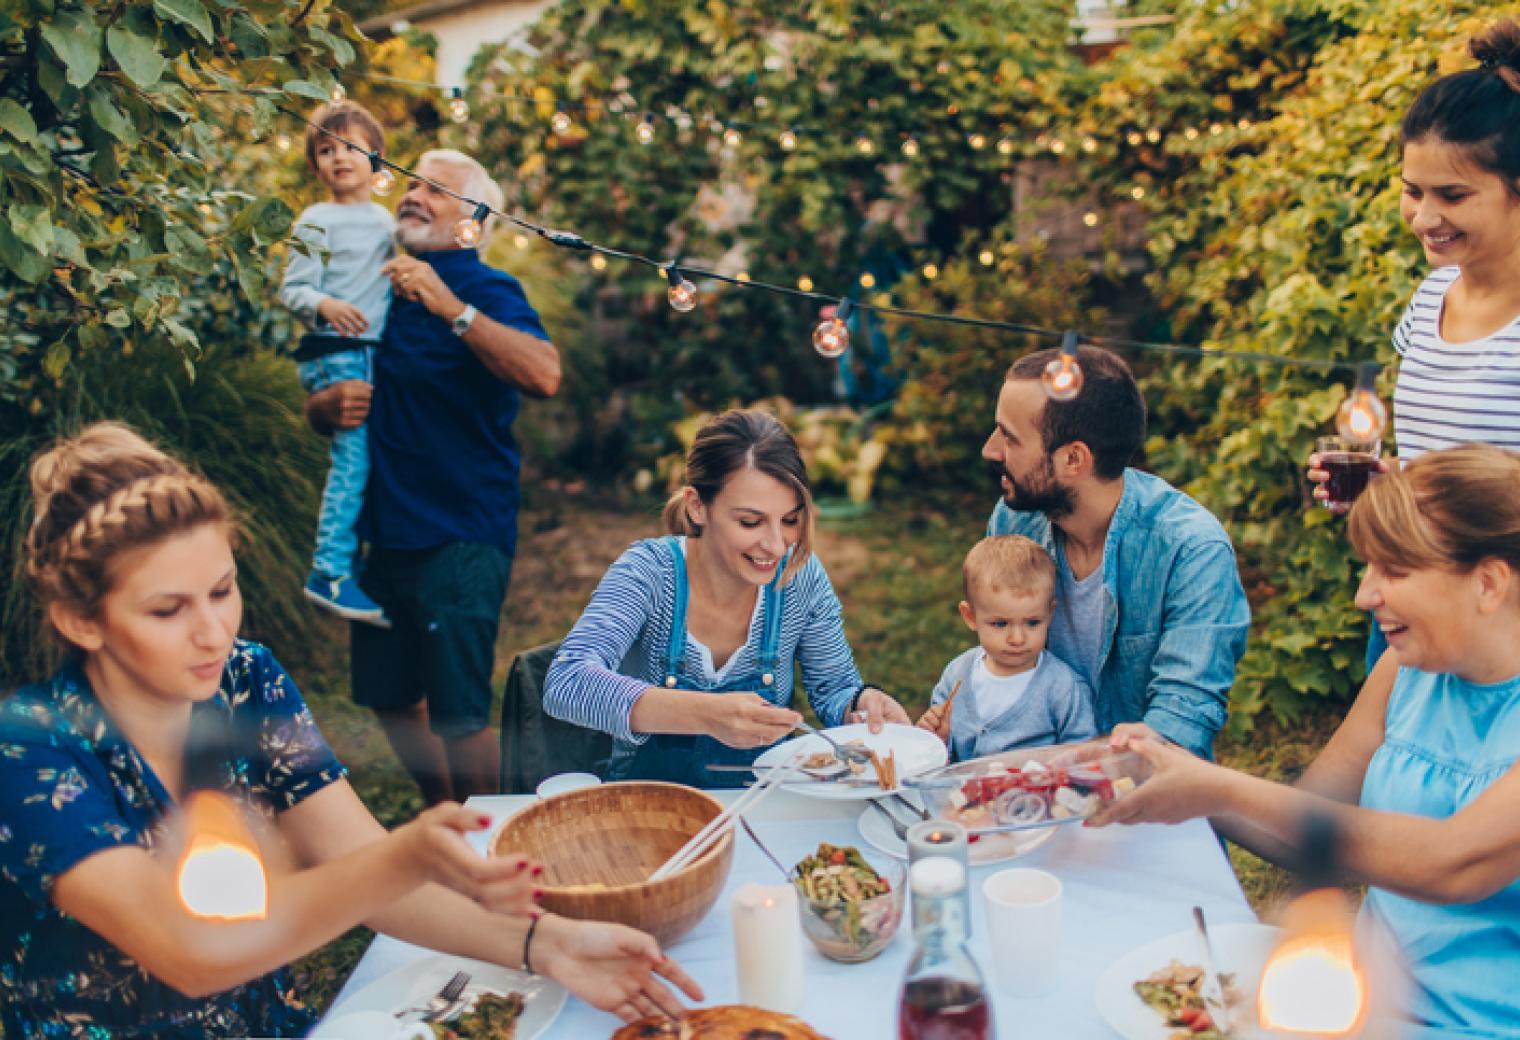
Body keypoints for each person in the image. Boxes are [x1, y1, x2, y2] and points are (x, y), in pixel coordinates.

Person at [0, 423, 701, 1038]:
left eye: (222, 590)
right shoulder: (30, 752)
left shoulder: (246, 679)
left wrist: (546, 944)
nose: (214, 632)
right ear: (79, 619)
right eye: (166, 610)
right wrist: (405, 855)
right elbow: (191, 949)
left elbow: (364, 869)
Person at [1092, 443, 1520, 1039]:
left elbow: (1452, 862)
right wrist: (1176, 774)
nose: (1365, 596)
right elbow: (1306, 825)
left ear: (1490, 582)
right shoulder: (1407, 672)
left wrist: (1220, 787)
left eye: (1394, 571)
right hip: (1361, 1010)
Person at [305, 149, 562, 805]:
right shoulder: (367, 286)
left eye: (436, 191)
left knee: (459, 712)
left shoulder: (488, 290)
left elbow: (544, 373)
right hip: (382, 530)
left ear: (473, 221)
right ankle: (445, 815)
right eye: (411, 184)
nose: (414, 195)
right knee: (390, 697)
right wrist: (323, 408)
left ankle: (489, 838)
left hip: (460, 530)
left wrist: (451, 306)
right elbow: (323, 392)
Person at [543, 409, 911, 787]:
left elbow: (835, 689)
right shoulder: (650, 573)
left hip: (764, 802)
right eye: (750, 522)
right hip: (649, 804)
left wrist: (861, 704)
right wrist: (706, 714)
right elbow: (568, 682)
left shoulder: (799, 579)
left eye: (789, 520)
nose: (775, 545)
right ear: (697, 506)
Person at [1309, 20, 1520, 668]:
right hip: (1411, 596)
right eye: (1412, 190)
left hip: (1500, 619)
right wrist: (1393, 483)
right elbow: (1445, 459)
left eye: (1452, 195)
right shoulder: (1431, 297)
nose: (1425, 217)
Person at [983, 343, 1250, 759]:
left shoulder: (1191, 550)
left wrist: (1055, 767)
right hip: (1025, 786)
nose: (991, 450)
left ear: (1074, 459)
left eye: (1010, 438)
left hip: (1141, 794)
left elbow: (1179, 727)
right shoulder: (1014, 522)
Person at [278, 100, 393, 626]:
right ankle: (328, 571)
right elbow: (293, 288)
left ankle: (355, 562)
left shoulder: (386, 222)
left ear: (377, 158)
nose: (339, 157)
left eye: (349, 147)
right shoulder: (316, 219)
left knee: (366, 460)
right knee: (352, 464)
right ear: (315, 166)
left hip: (366, 354)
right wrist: (323, 304)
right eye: (326, 150)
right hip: (335, 352)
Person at [916, 535, 1095, 761]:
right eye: (1000, 624)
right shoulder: (957, 675)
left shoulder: (1062, 687)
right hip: (962, 794)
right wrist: (939, 739)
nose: (1018, 638)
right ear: (970, 617)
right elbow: (938, 759)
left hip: (1035, 794)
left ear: (1049, 614)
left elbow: (1083, 756)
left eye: (1032, 623)